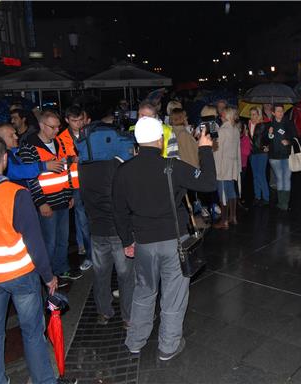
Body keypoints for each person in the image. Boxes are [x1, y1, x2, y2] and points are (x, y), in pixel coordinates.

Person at [0, 134, 76, 384]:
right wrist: (48, 276)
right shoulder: (16, 194)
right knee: (32, 332)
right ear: (4, 159)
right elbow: (35, 243)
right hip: (21, 275)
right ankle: (44, 380)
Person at [112, 117, 216, 360]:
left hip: (144, 244)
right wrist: (205, 148)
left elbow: (118, 211)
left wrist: (127, 241)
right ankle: (168, 347)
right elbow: (209, 183)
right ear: (160, 140)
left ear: (137, 141)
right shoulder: (173, 166)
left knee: (144, 292)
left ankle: (135, 341)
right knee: (173, 295)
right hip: (174, 242)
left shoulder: (123, 171)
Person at [18, 111, 82, 284]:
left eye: (58, 127)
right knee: (49, 242)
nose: (56, 130)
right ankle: (48, 275)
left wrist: (69, 194)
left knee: (62, 240)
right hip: (47, 203)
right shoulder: (29, 147)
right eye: (52, 127)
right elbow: (30, 179)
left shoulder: (59, 142)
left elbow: (67, 170)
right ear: (41, 125)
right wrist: (41, 202)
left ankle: (61, 269)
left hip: (62, 199)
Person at [79, 155, 134, 327]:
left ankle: (103, 312)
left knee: (101, 274)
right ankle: (128, 317)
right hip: (118, 231)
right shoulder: (117, 163)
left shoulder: (83, 165)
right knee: (125, 276)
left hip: (96, 228)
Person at [58, 106, 92, 271]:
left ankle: (85, 248)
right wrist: (73, 159)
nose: (77, 124)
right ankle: (88, 254)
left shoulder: (90, 133)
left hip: (90, 181)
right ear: (67, 120)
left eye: (80, 120)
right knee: (82, 220)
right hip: (75, 184)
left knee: (86, 219)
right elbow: (60, 159)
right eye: (74, 121)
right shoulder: (62, 137)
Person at [0, 123, 65, 186]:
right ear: (0, 139)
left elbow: (28, 168)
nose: (16, 137)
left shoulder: (16, 153)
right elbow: (16, 171)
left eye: (15, 133)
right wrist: (43, 166)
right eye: (11, 136)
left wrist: (46, 164)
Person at [212, 106, 241, 229]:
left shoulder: (223, 131)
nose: (220, 116)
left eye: (223, 114)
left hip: (223, 165)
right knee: (231, 191)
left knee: (222, 193)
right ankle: (233, 217)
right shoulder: (236, 130)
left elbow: (218, 151)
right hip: (232, 164)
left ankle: (224, 221)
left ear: (227, 116)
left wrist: (215, 167)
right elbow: (237, 150)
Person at [267, 104, 296, 211]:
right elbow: (265, 141)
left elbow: (295, 136)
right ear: (273, 113)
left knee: (287, 178)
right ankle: (281, 202)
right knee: (280, 178)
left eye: (282, 111)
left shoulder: (288, 123)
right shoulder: (269, 125)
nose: (281, 113)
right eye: (278, 111)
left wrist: (288, 141)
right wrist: (269, 134)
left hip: (287, 155)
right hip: (274, 157)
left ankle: (285, 203)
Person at [248, 107, 270, 206]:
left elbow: (268, 138)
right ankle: (257, 196)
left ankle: (266, 197)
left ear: (259, 115)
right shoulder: (249, 125)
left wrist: (268, 146)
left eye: (254, 114)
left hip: (261, 152)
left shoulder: (263, 125)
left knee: (261, 174)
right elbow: (250, 140)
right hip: (253, 153)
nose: (252, 117)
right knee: (255, 175)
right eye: (251, 114)